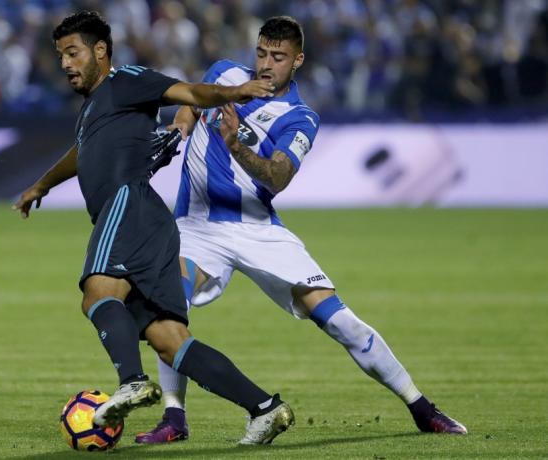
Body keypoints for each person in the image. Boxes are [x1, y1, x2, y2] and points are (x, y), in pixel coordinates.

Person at [135, 15, 468, 444]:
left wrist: (236, 145)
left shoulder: (299, 117)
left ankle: (421, 407)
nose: (266, 64)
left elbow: (277, 177)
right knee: (167, 307)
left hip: (258, 230)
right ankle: (174, 419)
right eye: (261, 53)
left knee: (338, 321)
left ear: (298, 61)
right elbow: (194, 99)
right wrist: (182, 122)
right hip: (196, 227)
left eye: (278, 57)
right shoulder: (224, 73)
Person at [13, 10, 295, 446]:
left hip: (128, 205)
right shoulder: (95, 109)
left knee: (97, 293)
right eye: (61, 56)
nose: (66, 63)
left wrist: (234, 91)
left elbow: (189, 91)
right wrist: (41, 184)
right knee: (170, 340)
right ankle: (264, 408)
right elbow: (82, 152)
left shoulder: (126, 80)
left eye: (73, 53)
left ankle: (131, 381)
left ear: (100, 51)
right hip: (151, 224)